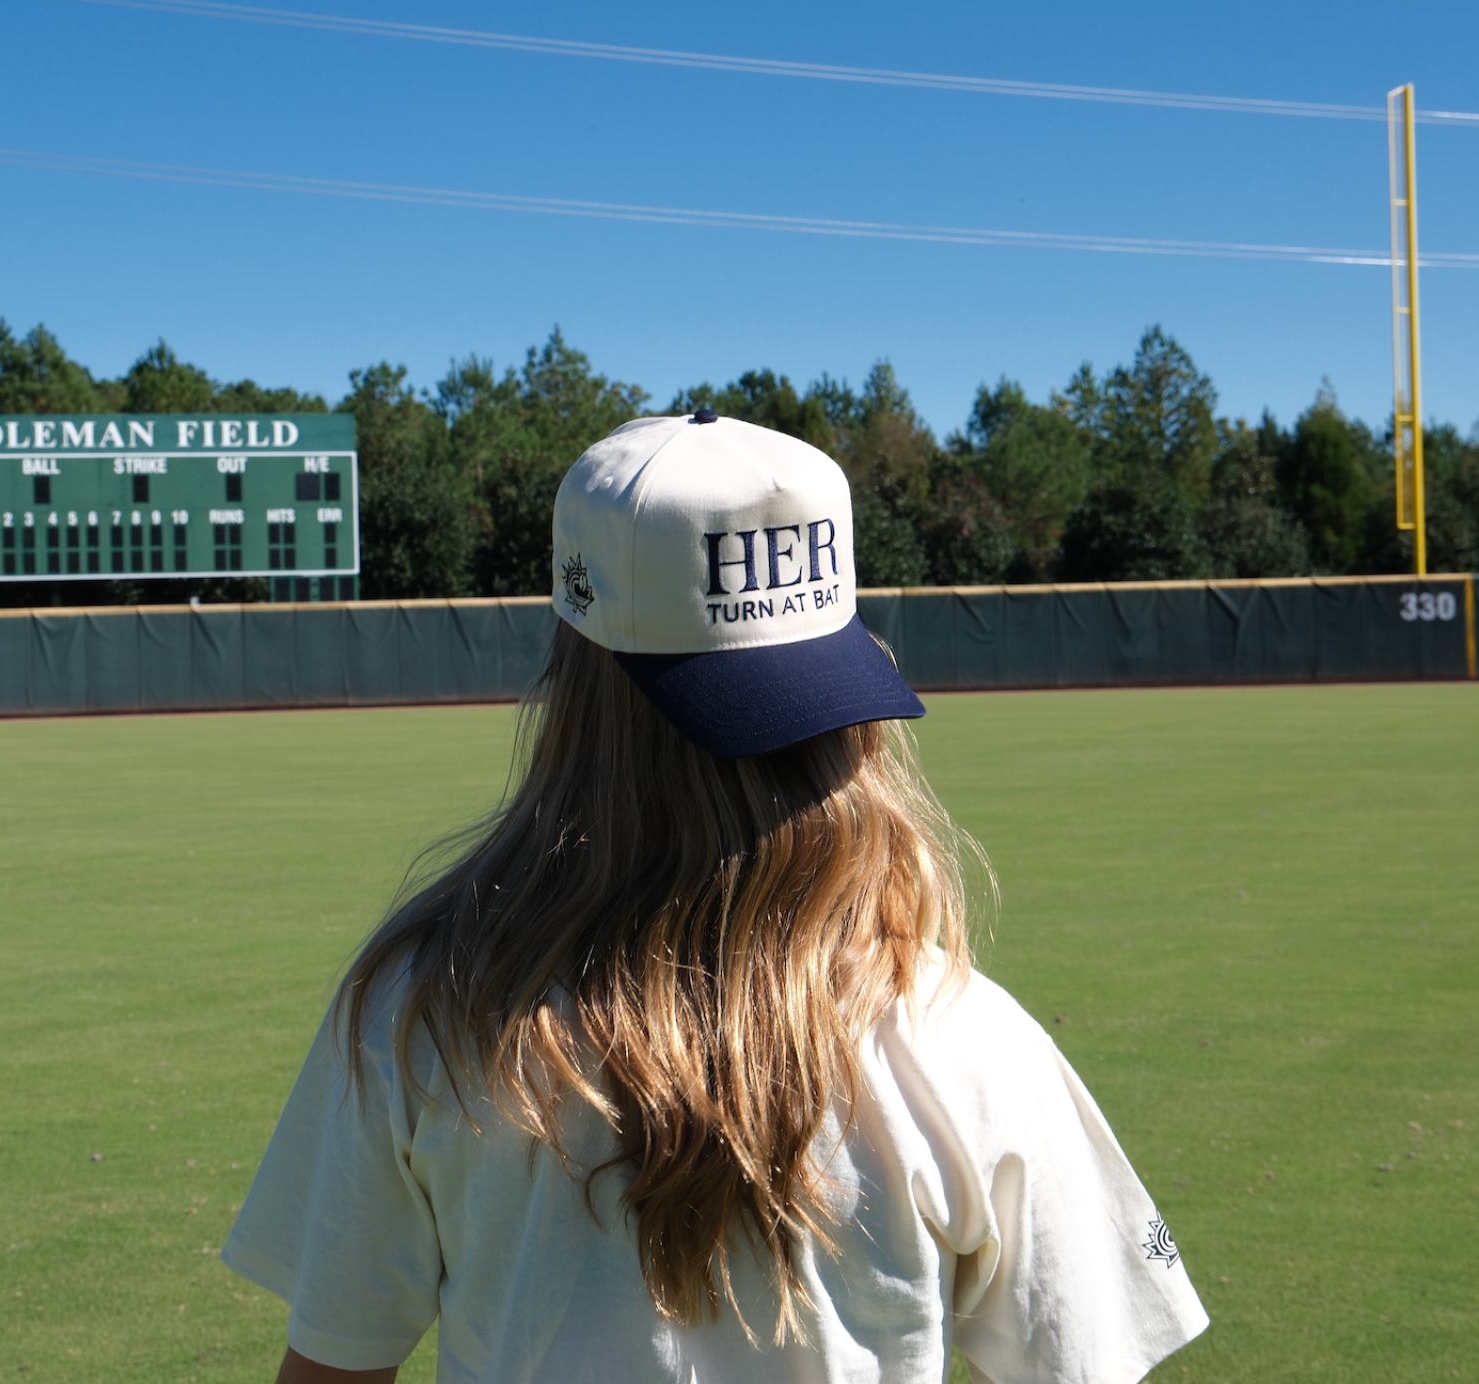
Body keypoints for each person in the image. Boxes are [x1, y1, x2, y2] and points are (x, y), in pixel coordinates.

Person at [223, 411, 1208, 1384]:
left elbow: (337, 1361)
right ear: (851, 715)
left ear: (571, 680)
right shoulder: (964, 1036)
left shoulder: (422, 1008)